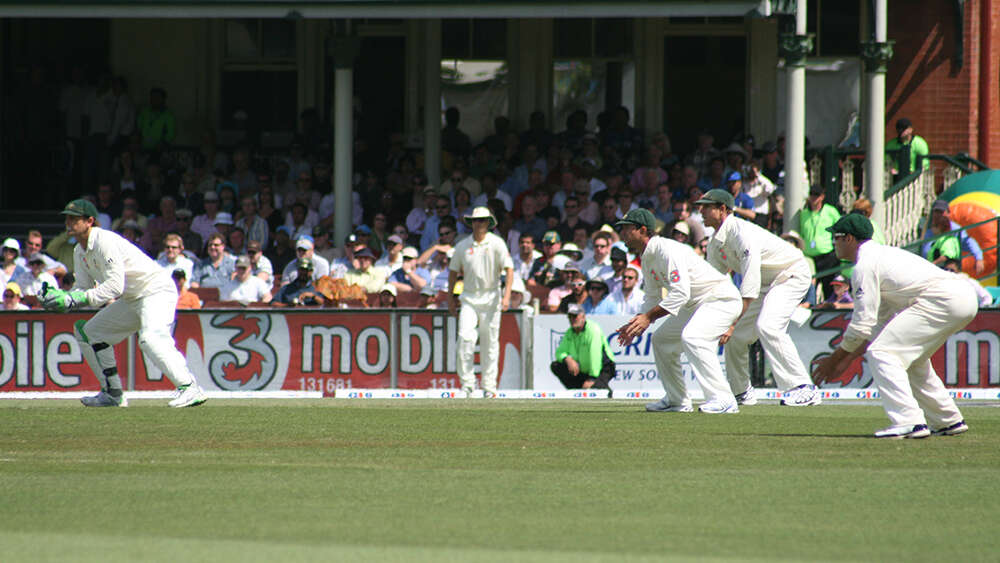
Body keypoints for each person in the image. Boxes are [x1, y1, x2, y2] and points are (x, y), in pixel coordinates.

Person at [812, 214, 975, 438]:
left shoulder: (864, 266)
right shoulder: (881, 256)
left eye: (836, 237)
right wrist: (847, 360)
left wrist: (834, 360)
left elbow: (861, 325)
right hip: (962, 297)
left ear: (849, 238)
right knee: (912, 360)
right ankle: (947, 420)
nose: (833, 242)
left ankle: (909, 421)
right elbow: (876, 326)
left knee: (882, 353)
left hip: (943, 300)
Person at [41, 199, 207, 408]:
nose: (69, 223)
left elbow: (114, 287)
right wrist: (62, 297)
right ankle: (113, 393)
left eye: (74, 219)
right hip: (132, 298)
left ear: (90, 221)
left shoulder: (104, 241)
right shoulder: (79, 251)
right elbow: (82, 288)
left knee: (150, 338)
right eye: (67, 218)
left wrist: (76, 298)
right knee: (89, 332)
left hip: (156, 290)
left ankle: (190, 388)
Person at [696, 188, 823, 407]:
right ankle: (741, 392)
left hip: (790, 274)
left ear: (723, 209)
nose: (701, 210)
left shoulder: (742, 233)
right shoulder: (715, 242)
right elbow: (715, 284)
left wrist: (731, 322)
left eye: (707, 206)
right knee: (735, 339)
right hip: (765, 286)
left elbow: (749, 284)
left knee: (768, 325)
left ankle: (802, 387)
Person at [613, 208, 743, 414]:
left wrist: (648, 317)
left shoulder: (667, 250)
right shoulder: (646, 256)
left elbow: (680, 293)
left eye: (627, 229)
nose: (622, 235)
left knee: (693, 337)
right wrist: (637, 323)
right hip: (696, 304)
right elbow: (652, 296)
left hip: (721, 298)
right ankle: (677, 400)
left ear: (643, 230)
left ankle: (724, 399)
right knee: (661, 340)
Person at [448, 207, 514, 398]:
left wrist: (506, 296)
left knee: (490, 343)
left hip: (492, 298)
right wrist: (450, 298)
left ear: (488, 223)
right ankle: (468, 385)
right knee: (465, 338)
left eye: (483, 220)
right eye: (476, 221)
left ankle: (489, 387)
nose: (479, 224)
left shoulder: (497, 243)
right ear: (471, 223)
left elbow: (509, 269)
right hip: (468, 297)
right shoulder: (462, 246)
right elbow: (453, 272)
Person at [551, 304, 616, 390]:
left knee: (596, 389)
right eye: (570, 317)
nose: (572, 319)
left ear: (583, 317)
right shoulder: (570, 332)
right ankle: (577, 391)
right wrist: (567, 359)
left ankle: (606, 393)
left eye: (575, 316)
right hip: (584, 370)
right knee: (556, 366)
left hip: (604, 367)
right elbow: (559, 352)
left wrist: (592, 378)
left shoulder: (593, 330)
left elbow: (595, 354)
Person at [799, 185, 842, 299]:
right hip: (809, 257)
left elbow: (841, 227)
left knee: (828, 288)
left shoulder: (830, 211)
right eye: (812, 194)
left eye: (816, 195)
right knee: (808, 289)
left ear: (822, 197)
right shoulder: (804, 213)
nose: (814, 198)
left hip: (826, 255)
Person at [921, 199, 985, 276]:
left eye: (941, 212)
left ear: (948, 213)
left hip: (946, 270)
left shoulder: (954, 230)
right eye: (936, 212)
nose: (938, 215)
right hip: (929, 270)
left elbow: (968, 242)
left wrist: (978, 258)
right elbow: (925, 250)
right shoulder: (928, 231)